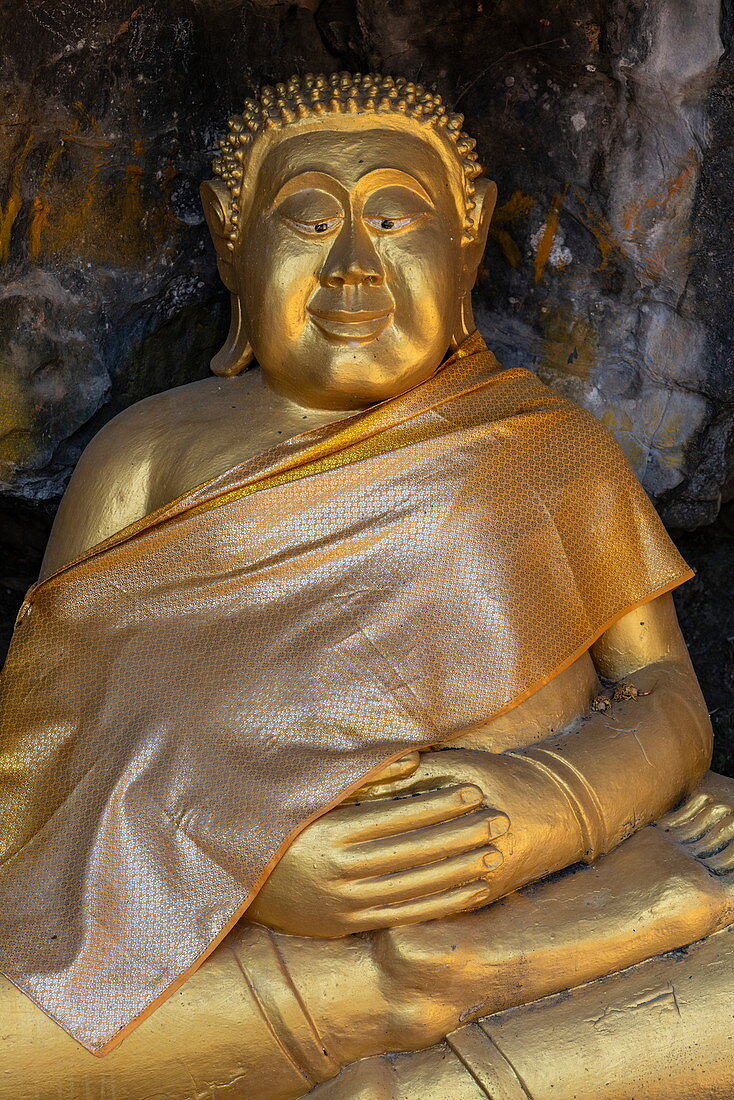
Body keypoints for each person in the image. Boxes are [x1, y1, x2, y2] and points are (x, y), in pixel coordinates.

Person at [1, 72, 733, 1098]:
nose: (352, 267)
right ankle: (422, 981)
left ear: (468, 238)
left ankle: (433, 981)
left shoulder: (547, 447)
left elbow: (665, 700)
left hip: (511, 858)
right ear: (229, 241)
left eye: (395, 218)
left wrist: (552, 803)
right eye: (306, 221)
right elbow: (49, 764)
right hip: (226, 914)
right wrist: (240, 861)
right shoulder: (145, 457)